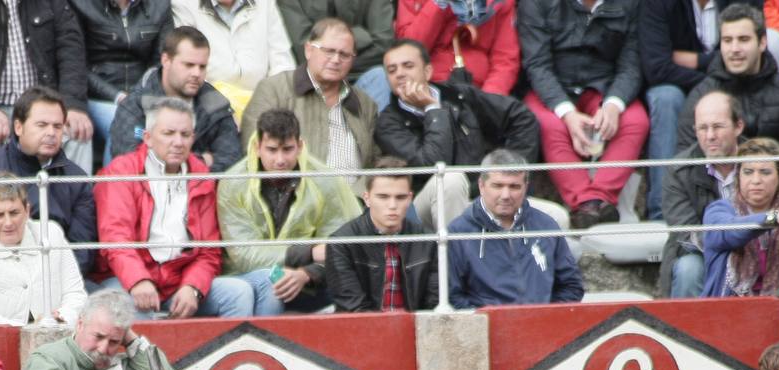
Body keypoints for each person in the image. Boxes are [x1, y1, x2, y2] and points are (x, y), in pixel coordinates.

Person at [95, 98, 263, 318]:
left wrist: (193, 287)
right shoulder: (121, 172)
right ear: (148, 137)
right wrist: (138, 280)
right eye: (168, 133)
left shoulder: (201, 175)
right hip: (126, 277)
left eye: (185, 135)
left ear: (193, 138)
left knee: (239, 293)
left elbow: (209, 250)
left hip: (180, 280)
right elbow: (116, 240)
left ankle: (235, 354)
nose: (178, 142)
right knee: (129, 307)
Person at [374, 38, 540, 230]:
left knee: (557, 216)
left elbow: (521, 118)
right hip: (428, 207)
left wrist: (508, 174)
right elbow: (434, 166)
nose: (400, 74)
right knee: (450, 179)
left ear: (427, 71)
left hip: (482, 196)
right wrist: (433, 110)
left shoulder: (458, 96)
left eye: (408, 66)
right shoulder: (387, 123)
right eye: (392, 70)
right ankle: (458, 258)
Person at [517, 0, 650, 228]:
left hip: (605, 86)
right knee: (547, 125)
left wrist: (613, 104)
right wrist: (566, 113)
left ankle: (597, 198)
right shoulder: (535, 4)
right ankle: (587, 202)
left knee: (636, 121)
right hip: (552, 88)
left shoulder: (630, 4)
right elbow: (537, 64)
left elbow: (632, 64)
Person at [217, 108, 360, 314]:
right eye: (272, 150)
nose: (280, 159)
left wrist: (307, 273)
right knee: (273, 279)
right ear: (258, 147)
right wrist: (308, 253)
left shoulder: (325, 181)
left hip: (313, 281)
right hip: (249, 278)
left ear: (300, 146)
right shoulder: (233, 184)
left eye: (287, 149)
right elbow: (246, 256)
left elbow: (341, 248)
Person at [677, 5, 779, 195]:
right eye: (727, 40)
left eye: (743, 40)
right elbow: (688, 161)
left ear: (762, 42)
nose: (734, 49)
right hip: (719, 200)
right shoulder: (702, 95)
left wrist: (773, 200)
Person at [0, 0, 92, 172]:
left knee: (78, 131)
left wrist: (72, 105)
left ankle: (76, 198)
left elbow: (71, 50)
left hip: (45, 106)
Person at [0, 87, 98, 272]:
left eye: (58, 126)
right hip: (5, 281)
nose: (51, 133)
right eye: (42, 125)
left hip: (64, 280)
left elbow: (83, 250)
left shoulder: (77, 179)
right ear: (18, 127)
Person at [242, 18, 379, 190]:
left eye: (344, 54)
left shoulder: (365, 103)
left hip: (355, 204)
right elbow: (253, 153)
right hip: (293, 203)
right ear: (308, 50)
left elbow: (373, 162)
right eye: (328, 51)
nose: (336, 60)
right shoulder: (273, 89)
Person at [447, 149, 583, 308]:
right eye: (497, 186)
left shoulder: (546, 225)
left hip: (541, 326)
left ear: (526, 187)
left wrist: (547, 317)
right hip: (486, 329)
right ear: (481, 185)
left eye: (514, 187)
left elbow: (571, 285)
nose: (505, 195)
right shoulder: (458, 233)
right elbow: (452, 297)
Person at [109, 26, 244, 172]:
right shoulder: (135, 105)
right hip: (148, 193)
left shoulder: (215, 104)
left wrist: (179, 164)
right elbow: (131, 162)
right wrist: (203, 160)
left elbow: (232, 162)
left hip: (204, 191)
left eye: (202, 67)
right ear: (166, 60)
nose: (197, 73)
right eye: (189, 65)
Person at [0, 181, 87, 326]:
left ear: (27, 210)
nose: (8, 222)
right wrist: (29, 329)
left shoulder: (51, 234)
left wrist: (62, 317)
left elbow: (76, 294)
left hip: (56, 334)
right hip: (0, 342)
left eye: (14, 213)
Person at [638, 0, 724, 220]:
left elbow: (743, 55)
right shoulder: (659, 4)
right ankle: (661, 211)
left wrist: (695, 60)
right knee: (666, 99)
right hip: (675, 85)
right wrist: (711, 78)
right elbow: (657, 68)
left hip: (724, 84)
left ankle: (733, 207)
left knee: (733, 96)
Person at [660, 90, 747, 297]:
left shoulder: (761, 161)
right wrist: (732, 243)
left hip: (756, 247)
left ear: (738, 126)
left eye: (718, 127)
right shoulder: (678, 170)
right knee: (688, 269)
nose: (710, 136)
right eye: (702, 128)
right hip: (701, 252)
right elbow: (686, 232)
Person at [21, 290, 176, 370]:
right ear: (80, 324)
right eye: (99, 336)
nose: (103, 349)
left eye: (114, 342)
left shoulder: (128, 365)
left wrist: (131, 340)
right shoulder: (49, 356)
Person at [701, 137, 779, 296]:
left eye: (765, 172)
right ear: (738, 176)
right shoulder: (717, 211)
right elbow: (731, 232)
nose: (756, 180)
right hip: (729, 311)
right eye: (748, 172)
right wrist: (773, 217)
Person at [326, 157, 438, 311]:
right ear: (367, 198)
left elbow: (433, 306)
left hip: (414, 330)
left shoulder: (429, 242)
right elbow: (353, 308)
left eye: (400, 197)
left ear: (410, 199)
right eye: (383, 197)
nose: (392, 205)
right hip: (362, 331)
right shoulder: (342, 242)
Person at [72, 0, 174, 163]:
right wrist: (118, 96)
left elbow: (162, 61)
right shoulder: (81, 4)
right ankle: (115, 186)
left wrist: (137, 96)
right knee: (122, 121)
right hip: (96, 95)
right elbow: (75, 64)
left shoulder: (159, 5)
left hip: (143, 92)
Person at [279, 0, 396, 107]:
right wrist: (361, 36)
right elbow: (304, 48)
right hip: (314, 80)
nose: (337, 59)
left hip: (361, 75)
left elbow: (383, 44)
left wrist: (331, 56)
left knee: (380, 76)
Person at [394, 0, 521, 96]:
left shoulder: (501, 2)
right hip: (427, 88)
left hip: (478, 91)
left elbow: (505, 59)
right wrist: (438, 4)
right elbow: (410, 51)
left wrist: (488, 99)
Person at [170, 0, 295, 96]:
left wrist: (271, 99)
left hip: (263, 100)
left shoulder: (265, 3)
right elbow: (187, 68)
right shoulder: (184, 4)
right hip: (211, 104)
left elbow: (282, 60)